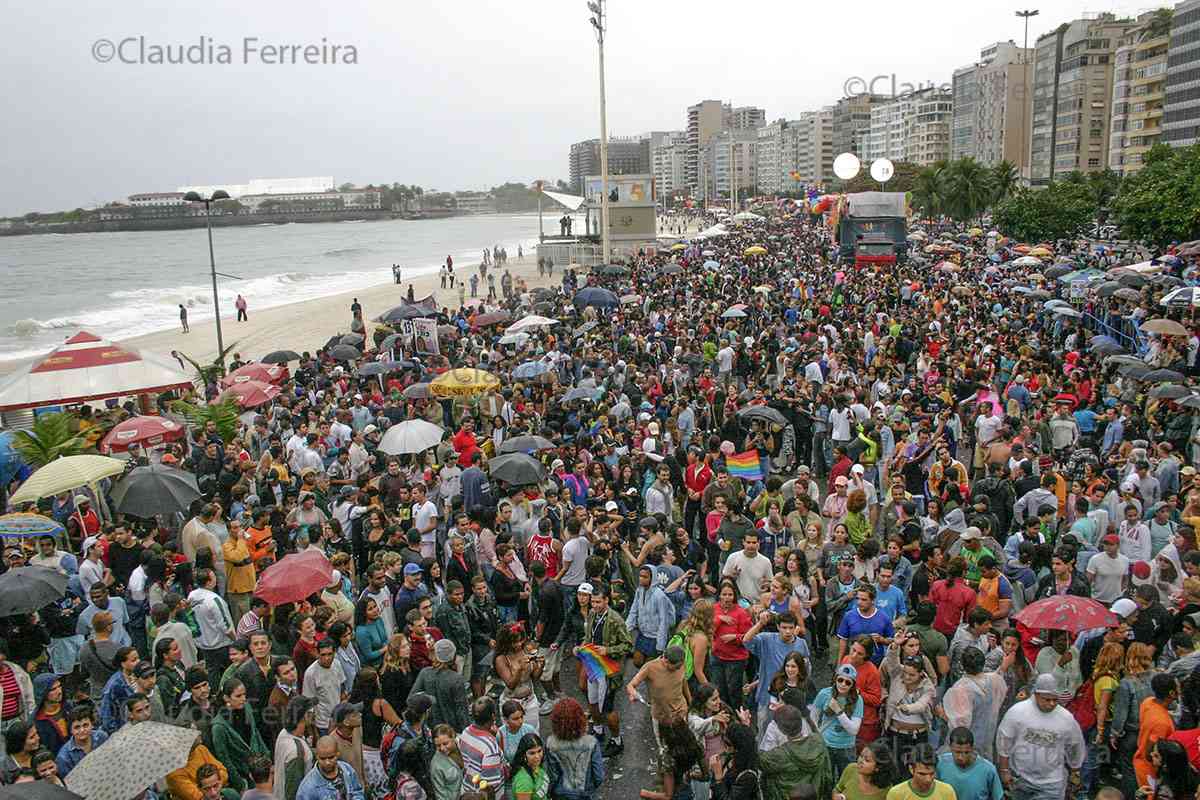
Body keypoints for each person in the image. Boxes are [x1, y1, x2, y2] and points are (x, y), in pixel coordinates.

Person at [995, 673, 1085, 800]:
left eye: (1055, 699)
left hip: (1052, 784)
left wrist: (1075, 771)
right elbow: (1004, 740)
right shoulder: (1017, 712)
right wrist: (1004, 770)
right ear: (1036, 694)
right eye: (1047, 699)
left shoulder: (1066, 719)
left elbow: (1075, 745)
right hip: (1020, 779)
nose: (1052, 703)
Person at [814, 663, 865, 778]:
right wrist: (817, 737)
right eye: (840, 680)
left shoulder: (858, 700)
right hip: (826, 744)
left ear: (853, 685)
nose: (843, 684)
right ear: (835, 679)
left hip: (846, 747)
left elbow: (854, 730)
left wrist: (838, 710)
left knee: (846, 780)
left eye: (848, 682)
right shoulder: (824, 693)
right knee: (825, 779)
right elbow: (813, 717)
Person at [936, 727, 1003, 800]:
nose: (961, 757)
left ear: (972, 748)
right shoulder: (940, 764)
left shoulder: (988, 770)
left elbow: (998, 797)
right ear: (950, 747)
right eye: (957, 752)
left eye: (966, 752)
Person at [295, 735, 365, 800]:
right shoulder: (308, 788)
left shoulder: (347, 770)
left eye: (331, 757)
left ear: (338, 754)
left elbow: (357, 791)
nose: (327, 762)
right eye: (322, 758)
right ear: (317, 756)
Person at [832, 740, 898, 800]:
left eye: (867, 760)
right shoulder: (851, 769)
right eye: (861, 756)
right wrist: (835, 796)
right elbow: (836, 790)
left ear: (878, 767)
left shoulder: (887, 790)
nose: (860, 761)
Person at [885, 744, 955, 800]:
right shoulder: (896, 794)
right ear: (911, 769)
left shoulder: (947, 791)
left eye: (932, 773)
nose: (928, 779)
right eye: (922, 774)